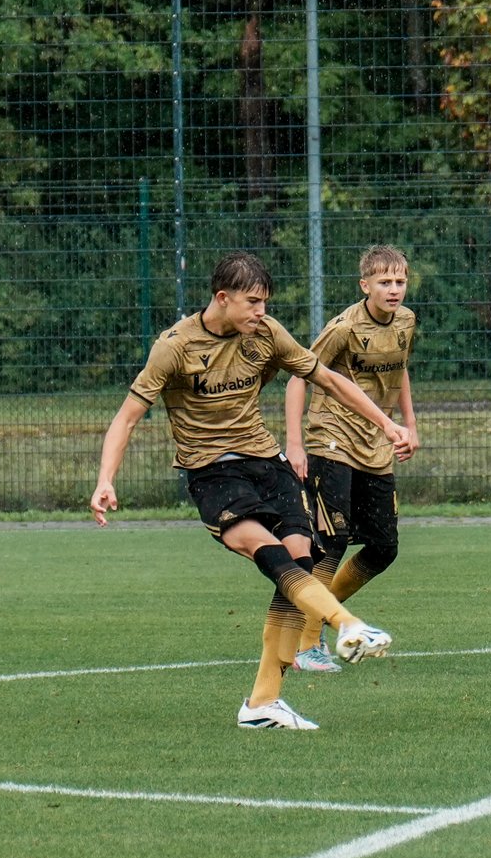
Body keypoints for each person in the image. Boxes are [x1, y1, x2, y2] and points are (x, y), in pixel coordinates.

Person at [90, 251, 414, 730]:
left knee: (301, 559)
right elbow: (128, 415)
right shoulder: (174, 346)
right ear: (222, 298)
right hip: (212, 470)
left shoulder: (266, 333)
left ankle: (262, 704)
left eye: (265, 302)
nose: (261, 312)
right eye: (253, 302)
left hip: (266, 462)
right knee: (270, 553)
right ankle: (345, 623)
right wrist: (104, 479)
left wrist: (387, 423)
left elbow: (327, 379)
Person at [284, 244, 418, 672]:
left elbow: (399, 372)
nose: (394, 289)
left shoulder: (406, 321)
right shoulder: (344, 327)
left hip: (376, 443)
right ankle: (307, 644)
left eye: (399, 281)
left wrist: (409, 427)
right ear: (365, 285)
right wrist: (295, 443)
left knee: (383, 548)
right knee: (333, 539)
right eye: (384, 282)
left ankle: (323, 614)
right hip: (331, 438)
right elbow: (297, 378)